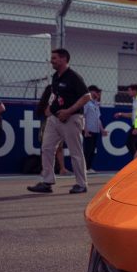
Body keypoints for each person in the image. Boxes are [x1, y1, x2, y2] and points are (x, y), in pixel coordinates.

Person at [28, 48, 90, 194]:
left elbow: (86, 96)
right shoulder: (56, 76)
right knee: (47, 147)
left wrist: (68, 111)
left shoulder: (73, 77)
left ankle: (81, 184)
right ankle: (47, 181)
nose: (51, 61)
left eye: (54, 58)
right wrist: (50, 109)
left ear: (63, 59)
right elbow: (56, 96)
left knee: (75, 152)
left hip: (71, 118)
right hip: (54, 118)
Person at [112, 84, 137, 158]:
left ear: (134, 91)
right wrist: (121, 114)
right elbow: (133, 114)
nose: (128, 93)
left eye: (129, 90)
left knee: (130, 143)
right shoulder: (135, 100)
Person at [82, 85, 106, 173]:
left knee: (92, 150)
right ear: (91, 92)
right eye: (96, 92)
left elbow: (98, 118)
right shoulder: (86, 103)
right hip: (89, 130)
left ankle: (88, 167)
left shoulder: (95, 104)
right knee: (87, 150)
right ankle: (84, 168)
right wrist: (85, 129)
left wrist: (102, 130)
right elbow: (83, 116)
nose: (98, 94)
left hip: (95, 130)